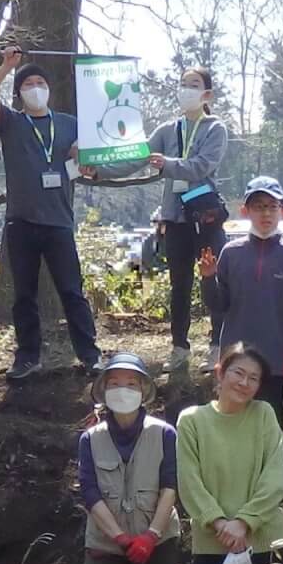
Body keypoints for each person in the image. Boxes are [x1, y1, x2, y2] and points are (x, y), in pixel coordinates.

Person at [90, 69, 231, 371]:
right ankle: (179, 347)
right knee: (179, 283)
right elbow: (136, 158)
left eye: (194, 86)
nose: (186, 90)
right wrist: (99, 170)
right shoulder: (168, 130)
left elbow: (201, 166)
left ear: (207, 94)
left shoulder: (215, 128)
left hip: (205, 216)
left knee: (212, 279)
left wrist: (169, 164)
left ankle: (217, 346)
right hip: (175, 218)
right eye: (183, 85)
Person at [0, 47, 104, 380]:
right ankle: (27, 357)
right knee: (24, 296)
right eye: (28, 84)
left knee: (72, 292)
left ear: (49, 89)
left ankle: (90, 355)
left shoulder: (67, 124)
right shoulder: (11, 122)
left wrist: (86, 160)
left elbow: (80, 156)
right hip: (21, 222)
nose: (36, 88)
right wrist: (7, 65)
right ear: (19, 93)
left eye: (40, 82)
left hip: (59, 222)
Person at [176, 344, 283, 564]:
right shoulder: (192, 421)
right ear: (220, 373)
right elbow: (189, 481)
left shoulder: (264, 414)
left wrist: (245, 521)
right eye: (238, 373)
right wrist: (219, 522)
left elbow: (275, 477)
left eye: (254, 378)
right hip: (213, 546)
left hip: (264, 543)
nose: (244, 382)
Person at [78, 352, 181, 564]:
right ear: (103, 391)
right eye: (114, 383)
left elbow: (170, 487)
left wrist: (151, 535)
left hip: (158, 543)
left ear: (144, 390)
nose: (123, 390)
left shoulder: (164, 433)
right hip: (105, 545)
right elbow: (90, 492)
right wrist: (120, 538)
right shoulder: (90, 439)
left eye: (131, 384)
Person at [199, 177, 283, 420]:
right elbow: (219, 305)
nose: (266, 213)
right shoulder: (231, 253)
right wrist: (208, 279)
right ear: (245, 211)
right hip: (235, 362)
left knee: (270, 429)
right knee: (231, 425)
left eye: (272, 206)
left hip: (275, 362)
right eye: (259, 206)